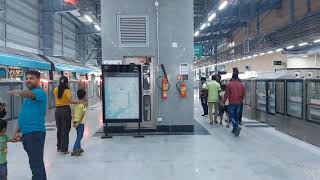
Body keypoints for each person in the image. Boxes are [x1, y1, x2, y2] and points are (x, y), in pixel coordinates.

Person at [9, 70, 47, 180]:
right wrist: (17, 130)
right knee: (37, 162)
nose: (28, 80)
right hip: (27, 133)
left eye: (32, 78)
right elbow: (24, 114)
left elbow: (30, 94)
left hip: (35, 133)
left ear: (38, 80)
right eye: (27, 78)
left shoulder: (39, 93)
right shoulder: (27, 99)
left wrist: (18, 92)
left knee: (35, 164)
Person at [54, 76, 84, 154]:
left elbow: (57, 98)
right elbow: (71, 101)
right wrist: (80, 102)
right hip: (65, 110)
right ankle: (64, 149)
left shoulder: (56, 89)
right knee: (65, 129)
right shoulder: (67, 91)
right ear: (67, 83)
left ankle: (59, 147)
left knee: (59, 129)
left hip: (57, 110)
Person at [224, 72, 246, 137]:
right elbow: (244, 94)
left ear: (232, 77)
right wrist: (240, 99)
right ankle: (234, 129)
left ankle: (236, 126)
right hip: (239, 103)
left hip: (232, 102)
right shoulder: (242, 85)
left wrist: (224, 101)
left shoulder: (229, 84)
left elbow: (226, 94)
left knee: (231, 116)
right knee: (236, 115)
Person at [71, 89, 87, 156]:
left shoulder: (75, 104)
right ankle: (75, 148)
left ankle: (79, 148)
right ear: (84, 96)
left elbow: (73, 113)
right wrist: (79, 122)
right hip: (80, 122)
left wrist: (74, 121)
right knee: (80, 136)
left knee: (78, 135)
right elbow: (83, 114)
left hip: (75, 121)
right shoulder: (83, 104)